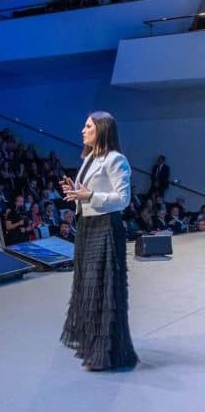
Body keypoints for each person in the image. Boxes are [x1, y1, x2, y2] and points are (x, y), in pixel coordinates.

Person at [60, 111, 138, 371]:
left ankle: (105, 353)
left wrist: (90, 194)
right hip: (87, 226)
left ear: (102, 129)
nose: (83, 130)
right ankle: (91, 346)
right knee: (86, 285)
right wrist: (77, 192)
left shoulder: (116, 160)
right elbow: (89, 193)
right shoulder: (90, 158)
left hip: (105, 227)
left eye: (88, 126)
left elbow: (123, 199)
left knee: (101, 287)